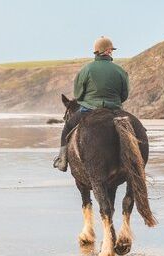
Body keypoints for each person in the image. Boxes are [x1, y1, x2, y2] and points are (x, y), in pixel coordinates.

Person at [53, 36, 130, 171]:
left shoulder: (86, 69)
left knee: (67, 127)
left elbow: (78, 95)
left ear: (96, 52)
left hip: (89, 109)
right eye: (111, 50)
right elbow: (124, 95)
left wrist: (87, 102)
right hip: (115, 109)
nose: (111, 52)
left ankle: (62, 160)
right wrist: (113, 103)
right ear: (107, 51)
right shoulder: (120, 70)